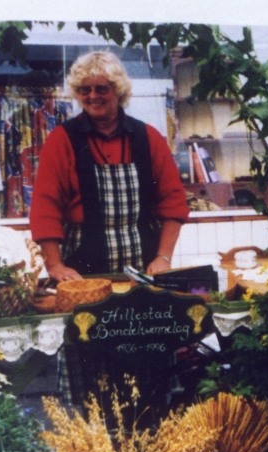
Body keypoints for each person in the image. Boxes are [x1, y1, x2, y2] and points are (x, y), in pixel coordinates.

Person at [30, 51, 189, 282]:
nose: (93, 96)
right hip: (81, 275)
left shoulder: (149, 138)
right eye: (85, 90)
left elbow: (173, 201)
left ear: (118, 91)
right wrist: (54, 265)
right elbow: (45, 208)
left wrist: (163, 257)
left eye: (101, 88)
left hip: (145, 270)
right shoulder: (62, 140)